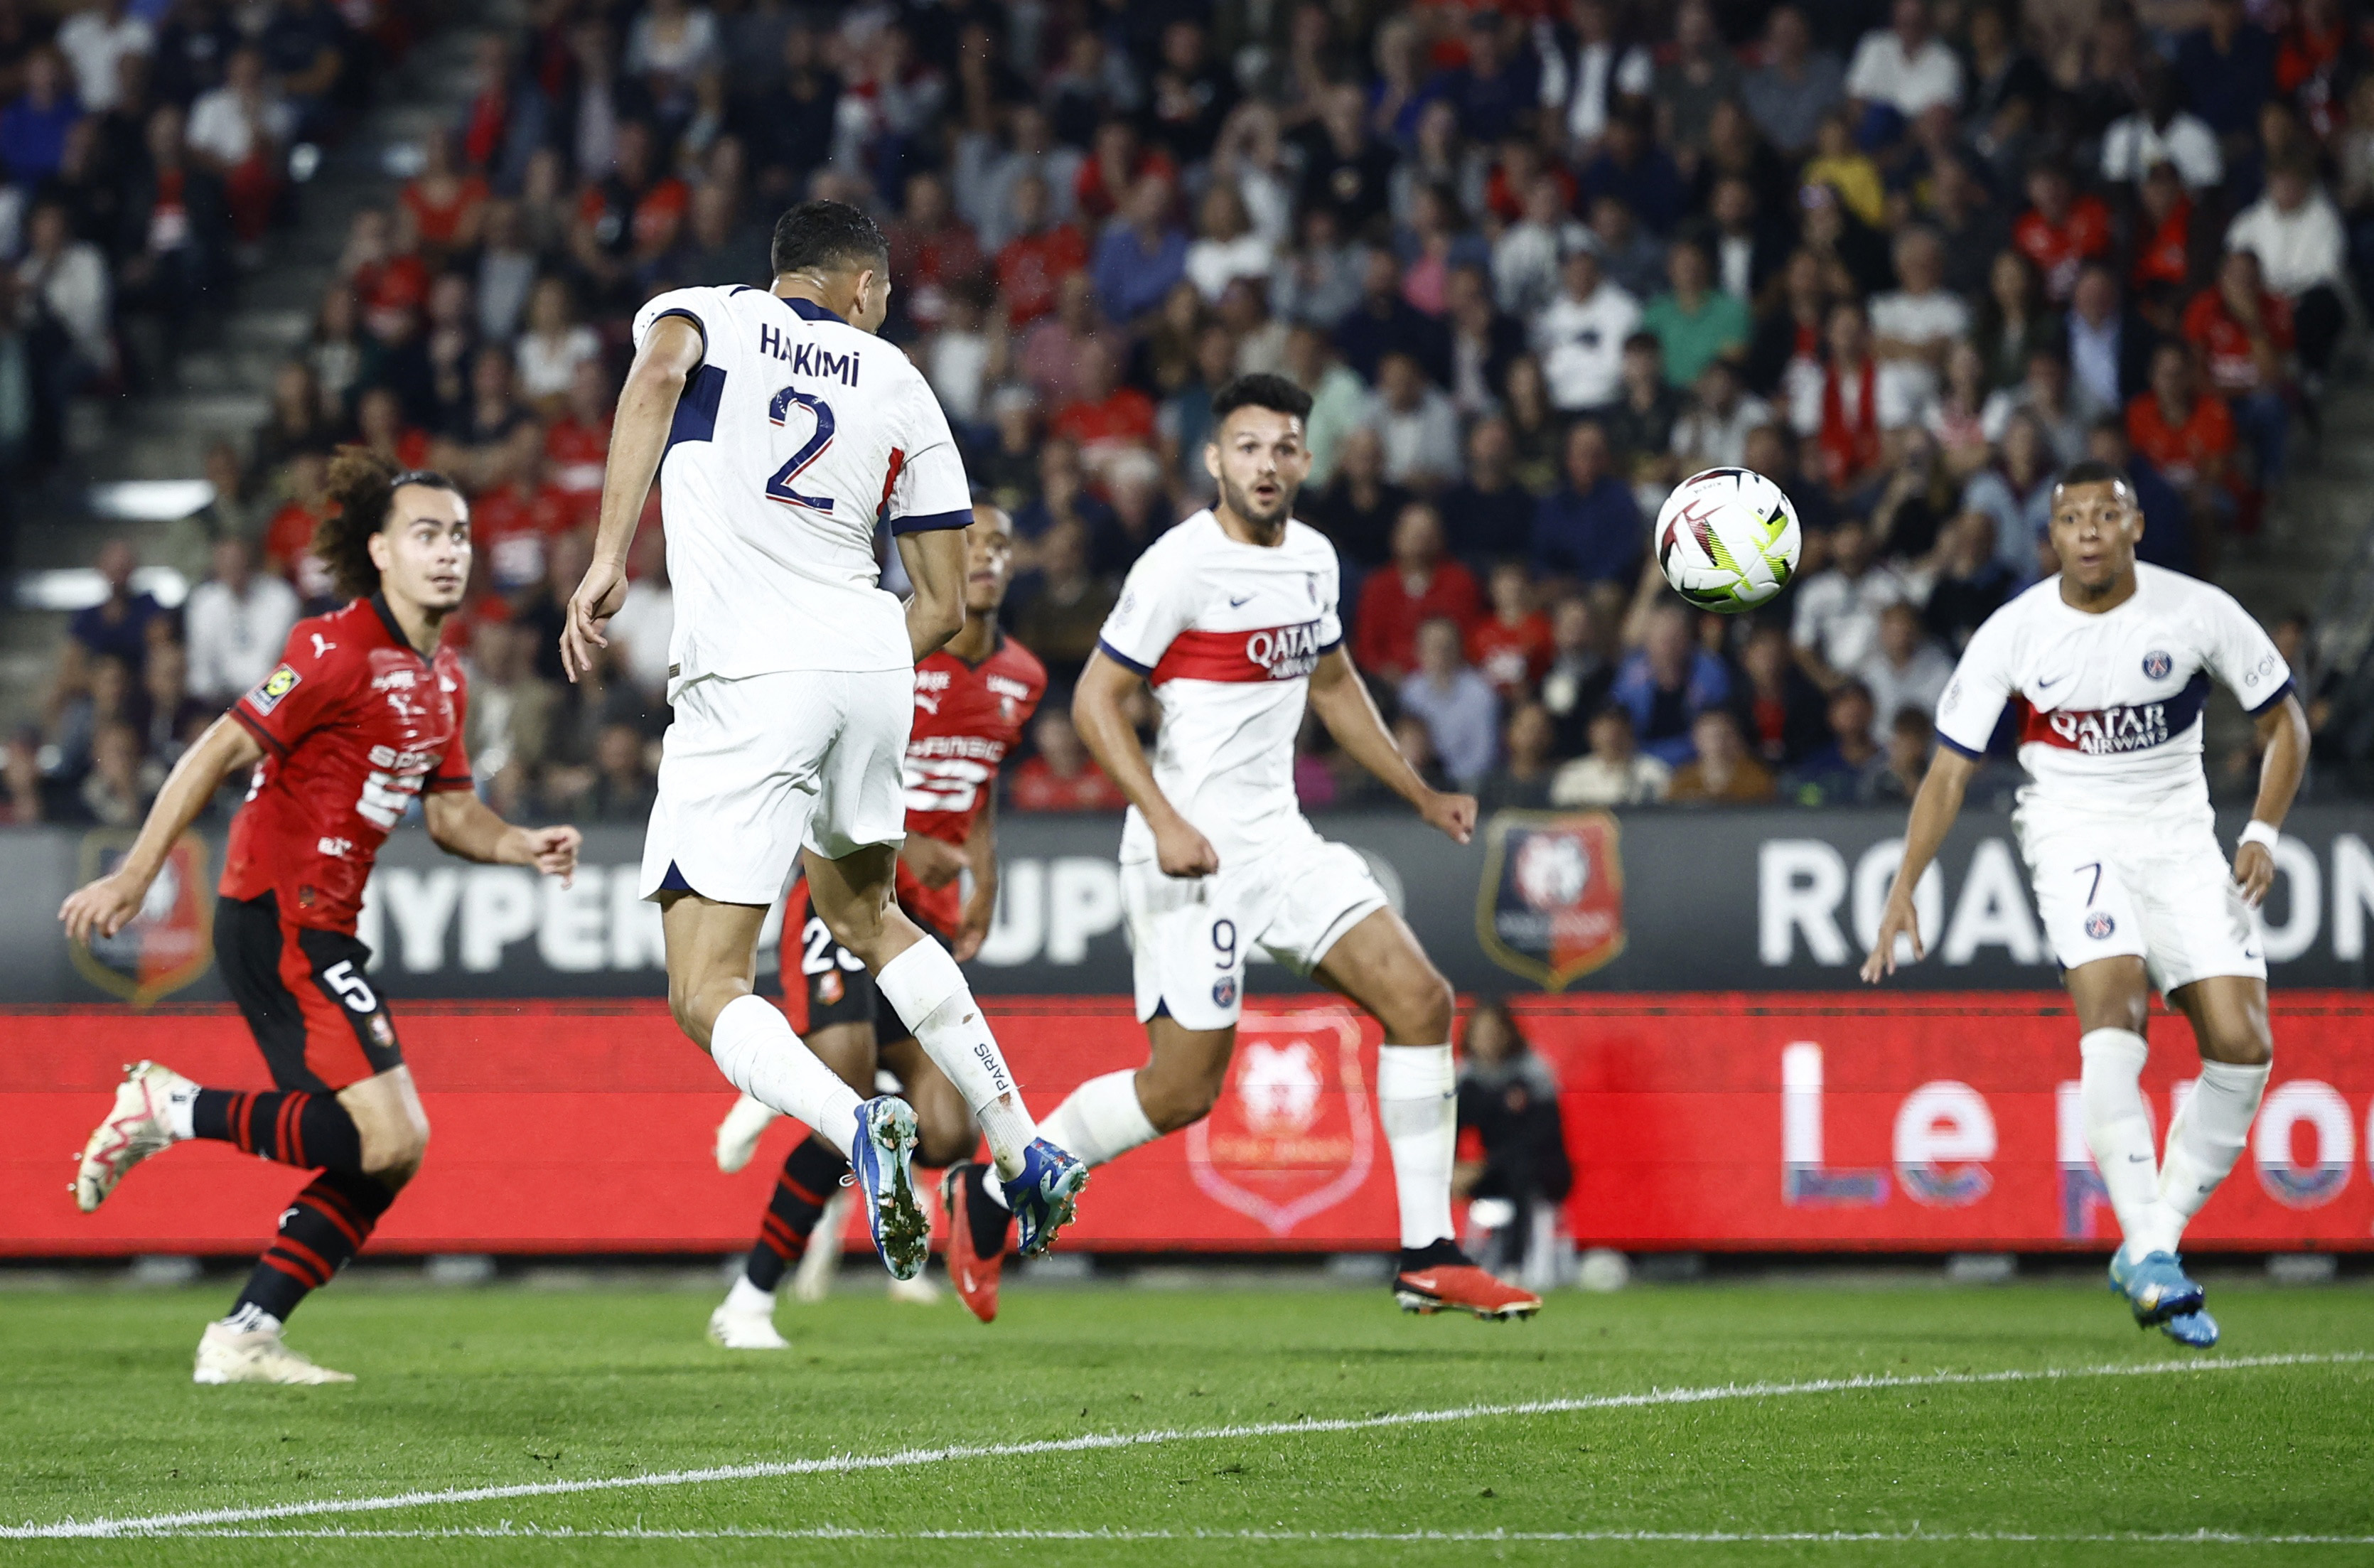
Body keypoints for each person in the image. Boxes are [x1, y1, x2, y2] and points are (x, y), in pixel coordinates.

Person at [558, 200, 1086, 1287]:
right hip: (869, 657)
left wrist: (610, 552)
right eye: (885, 294)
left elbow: (655, 378)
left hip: (748, 669)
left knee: (704, 985)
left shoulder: (712, 313)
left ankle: (857, 1127)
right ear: (859, 289)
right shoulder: (902, 384)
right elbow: (941, 599)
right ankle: (1022, 1139)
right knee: (868, 912)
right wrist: (854, 667)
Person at [943, 374, 1540, 1324]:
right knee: (1181, 1090)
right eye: (1248, 446)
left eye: (1284, 446)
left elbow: (1336, 682)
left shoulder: (1315, 559)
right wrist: (1168, 819)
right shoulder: (1177, 565)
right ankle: (986, 1191)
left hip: (1281, 843)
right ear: (1216, 459)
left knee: (1423, 1000)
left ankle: (1430, 1250)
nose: (1267, 463)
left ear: (1306, 460)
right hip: (1189, 857)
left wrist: (1418, 791)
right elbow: (1096, 702)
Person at [60, 450, 583, 1385]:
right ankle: (168, 1107)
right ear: (379, 550)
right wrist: (138, 875)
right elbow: (216, 749)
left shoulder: (443, 676)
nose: (449, 552)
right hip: (277, 918)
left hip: (328, 927)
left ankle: (245, 1330)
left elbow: (453, 812)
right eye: (427, 534)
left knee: (382, 1152)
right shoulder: (330, 648)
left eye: (460, 534)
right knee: (390, 1139)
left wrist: (521, 844)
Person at [1864, 461, 2309, 1350]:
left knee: (2243, 1044)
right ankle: (2151, 1252)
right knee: (2116, 1006)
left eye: (2108, 514)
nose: (2091, 530)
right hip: (2071, 835)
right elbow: (1948, 771)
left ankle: (2151, 1245)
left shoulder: (2197, 611)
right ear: (2053, 536)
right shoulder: (2015, 631)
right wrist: (1903, 883)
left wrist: (2261, 830)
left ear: (2136, 525)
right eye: (2073, 518)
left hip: (2181, 840)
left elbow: (2285, 723)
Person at [706, 505, 1044, 1348]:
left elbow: (981, 787)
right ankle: (748, 1301)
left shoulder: (1024, 676)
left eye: (999, 545)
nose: (985, 559)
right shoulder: (892, 642)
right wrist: (916, 841)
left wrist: (985, 878)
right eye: (970, 543)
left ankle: (789, 1089)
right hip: (847, 898)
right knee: (850, 1089)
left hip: (922, 921)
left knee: (946, 1131)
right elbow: (823, 760)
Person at [1453, 1002, 1572, 1291]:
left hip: (1544, 1171)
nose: (1487, 1041)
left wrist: (1482, 1167)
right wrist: (1454, 1169)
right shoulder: (1467, 1079)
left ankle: (1513, 1267)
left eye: (1494, 1033)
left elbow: (1539, 1137)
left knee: (1521, 1169)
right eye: (1481, 1034)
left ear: (1509, 1035)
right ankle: (1439, 1263)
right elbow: (1452, 1129)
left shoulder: (1531, 1073)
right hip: (1492, 1174)